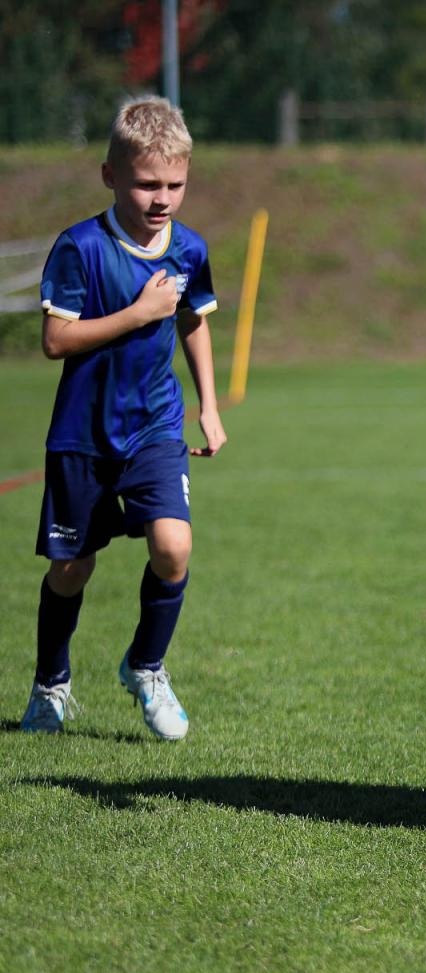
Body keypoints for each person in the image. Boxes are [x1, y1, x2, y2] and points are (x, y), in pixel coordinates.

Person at [20, 96, 227, 740]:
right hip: (82, 435)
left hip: (155, 428)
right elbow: (56, 341)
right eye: (146, 183)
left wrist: (209, 408)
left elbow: (191, 320)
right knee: (71, 570)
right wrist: (139, 313)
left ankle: (146, 666)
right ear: (111, 175)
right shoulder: (80, 247)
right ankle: (51, 685)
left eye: (175, 184)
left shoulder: (188, 249)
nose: (161, 197)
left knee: (173, 547)